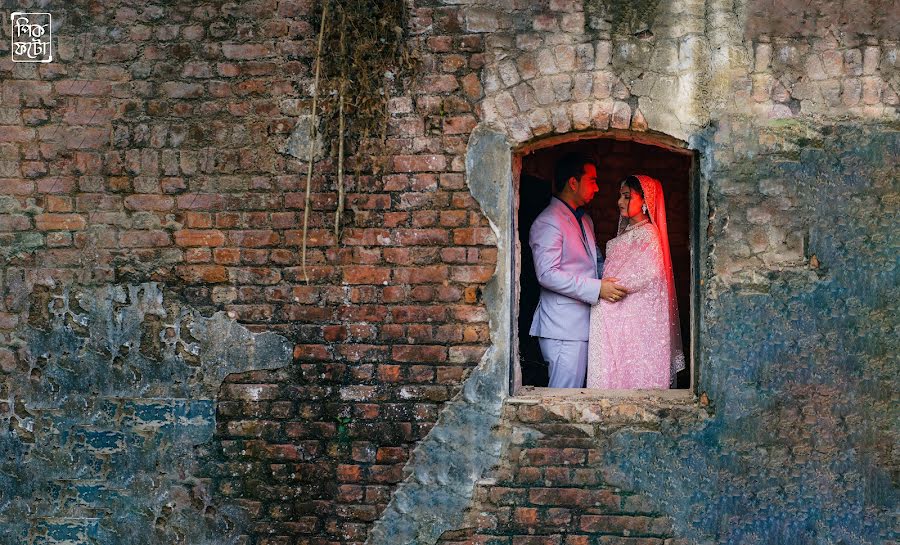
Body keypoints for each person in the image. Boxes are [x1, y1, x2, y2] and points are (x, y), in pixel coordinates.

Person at [529, 153, 628, 388]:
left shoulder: (586, 220)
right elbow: (547, 274)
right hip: (563, 329)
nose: (597, 187)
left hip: (582, 325)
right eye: (592, 180)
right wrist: (598, 288)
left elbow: (596, 263)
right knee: (563, 399)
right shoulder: (548, 221)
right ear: (573, 183)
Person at [586, 175, 685, 389]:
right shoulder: (625, 236)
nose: (619, 202)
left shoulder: (649, 235)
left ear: (645, 201)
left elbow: (647, 274)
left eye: (627, 196)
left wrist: (606, 290)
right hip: (616, 316)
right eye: (620, 196)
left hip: (637, 323)